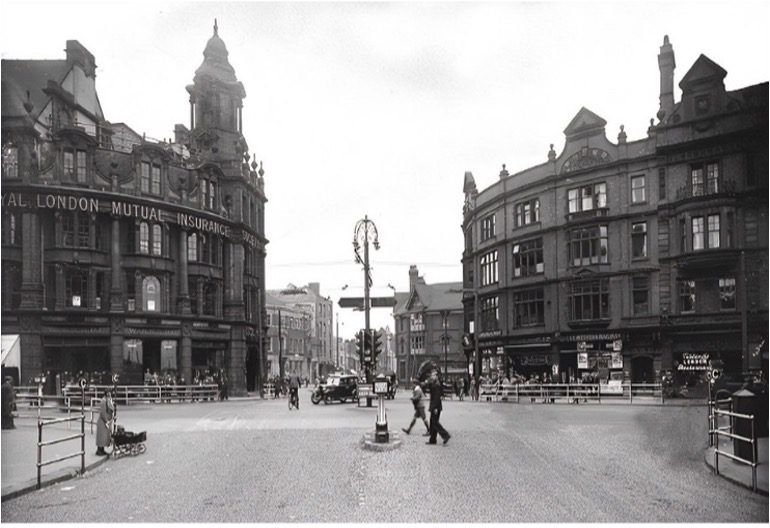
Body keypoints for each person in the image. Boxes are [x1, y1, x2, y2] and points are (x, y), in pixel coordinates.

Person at [426, 371, 450, 445]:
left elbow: (436, 397)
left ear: (436, 376)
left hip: (435, 407)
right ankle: (432, 440)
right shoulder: (434, 384)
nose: (431, 376)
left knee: (435, 423)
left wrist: (435, 408)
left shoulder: (437, 385)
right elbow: (428, 388)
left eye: (433, 375)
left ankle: (445, 435)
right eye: (431, 375)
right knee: (432, 422)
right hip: (434, 406)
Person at [96, 390, 115, 456]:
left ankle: (102, 450)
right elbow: (103, 412)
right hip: (103, 421)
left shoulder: (108, 400)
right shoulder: (104, 401)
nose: (110, 394)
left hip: (106, 421)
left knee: (104, 437)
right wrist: (106, 421)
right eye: (109, 393)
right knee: (102, 436)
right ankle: (99, 450)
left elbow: (111, 409)